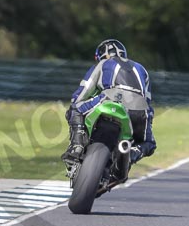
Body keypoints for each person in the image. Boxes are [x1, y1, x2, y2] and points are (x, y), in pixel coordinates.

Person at [61, 39, 156, 171]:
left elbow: (83, 92)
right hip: (140, 107)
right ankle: (130, 154)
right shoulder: (142, 69)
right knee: (149, 143)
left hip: (110, 97)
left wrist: (74, 105)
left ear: (100, 56)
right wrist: (147, 120)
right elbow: (148, 101)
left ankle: (77, 147)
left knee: (75, 109)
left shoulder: (102, 64)